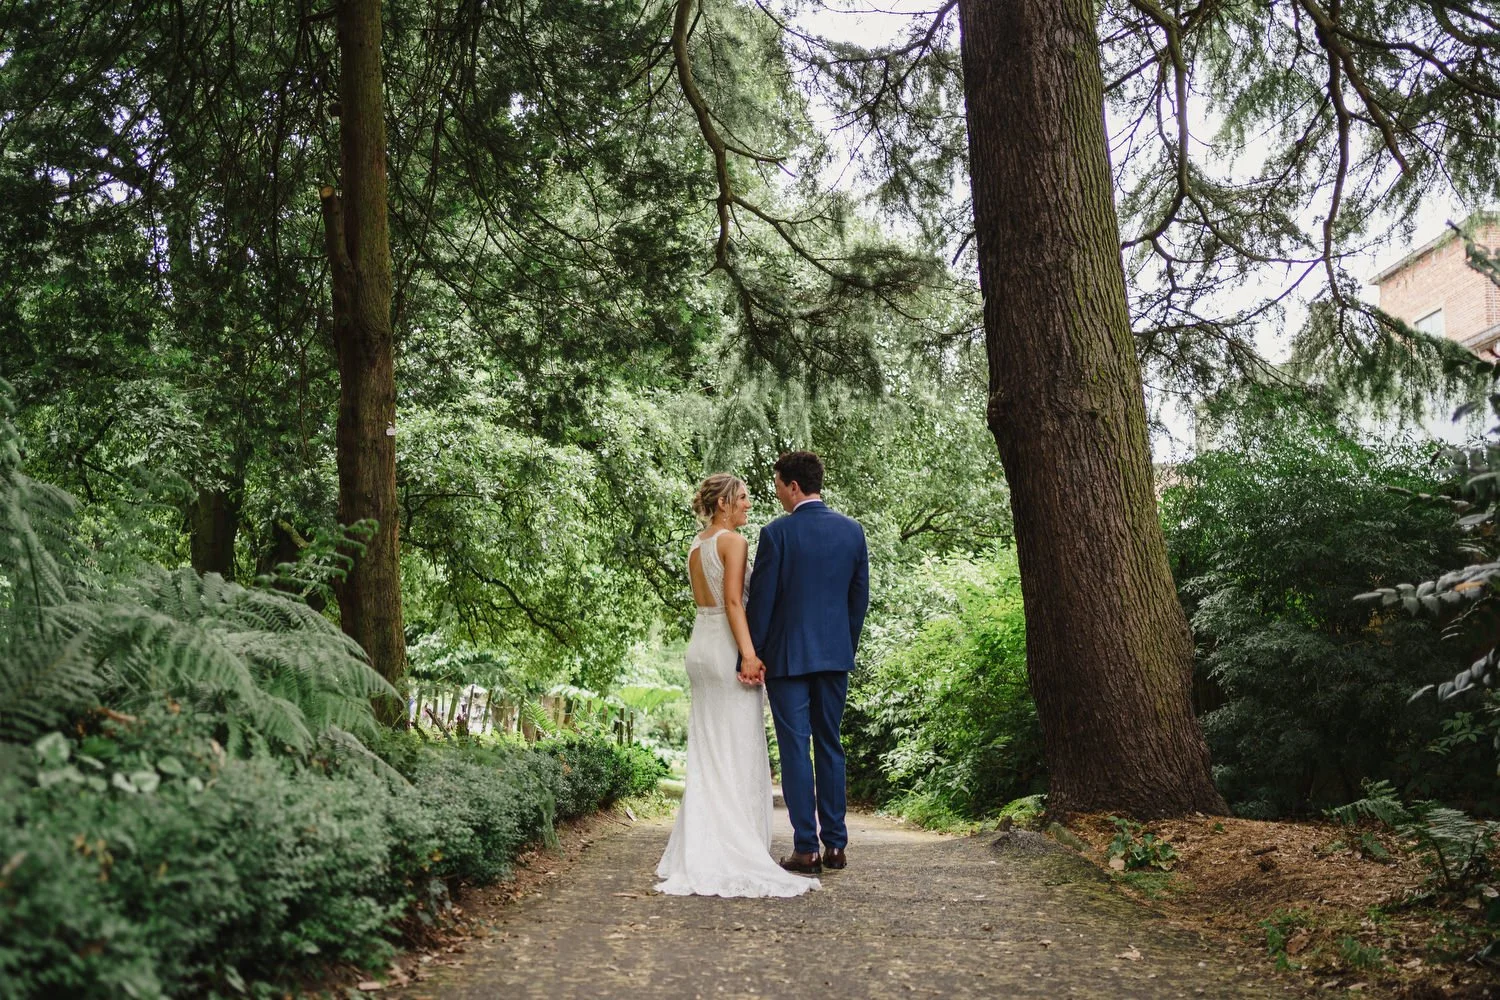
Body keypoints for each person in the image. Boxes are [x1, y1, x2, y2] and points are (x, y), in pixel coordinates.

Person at [654, 473, 819, 898]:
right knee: (738, 747)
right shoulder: (734, 542)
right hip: (727, 646)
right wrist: (748, 653)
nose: (748, 503)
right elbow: (732, 601)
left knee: (710, 750)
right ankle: (732, 846)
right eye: (742, 498)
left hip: (700, 646)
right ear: (724, 503)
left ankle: (701, 844)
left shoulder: (697, 544)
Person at [746, 451, 869, 874]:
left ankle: (806, 848)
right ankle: (836, 846)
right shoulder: (852, 531)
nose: (777, 493)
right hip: (835, 657)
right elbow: (858, 598)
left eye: (779, 485)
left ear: (794, 486)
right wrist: (843, 647)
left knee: (796, 747)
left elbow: (762, 603)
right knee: (830, 744)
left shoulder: (776, 534)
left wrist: (752, 653)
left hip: (787, 658)